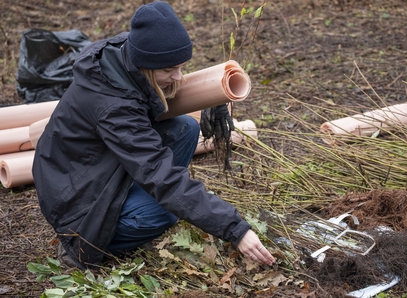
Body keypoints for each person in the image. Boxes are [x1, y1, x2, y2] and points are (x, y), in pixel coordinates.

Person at [32, 1, 275, 269]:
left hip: (97, 168)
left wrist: (213, 98)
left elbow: (163, 86)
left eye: (181, 66)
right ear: (145, 64)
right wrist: (236, 229)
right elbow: (163, 178)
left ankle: (136, 205)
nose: (178, 77)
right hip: (75, 200)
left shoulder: (129, 51)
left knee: (185, 127)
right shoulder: (114, 108)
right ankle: (79, 246)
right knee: (163, 214)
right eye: (169, 71)